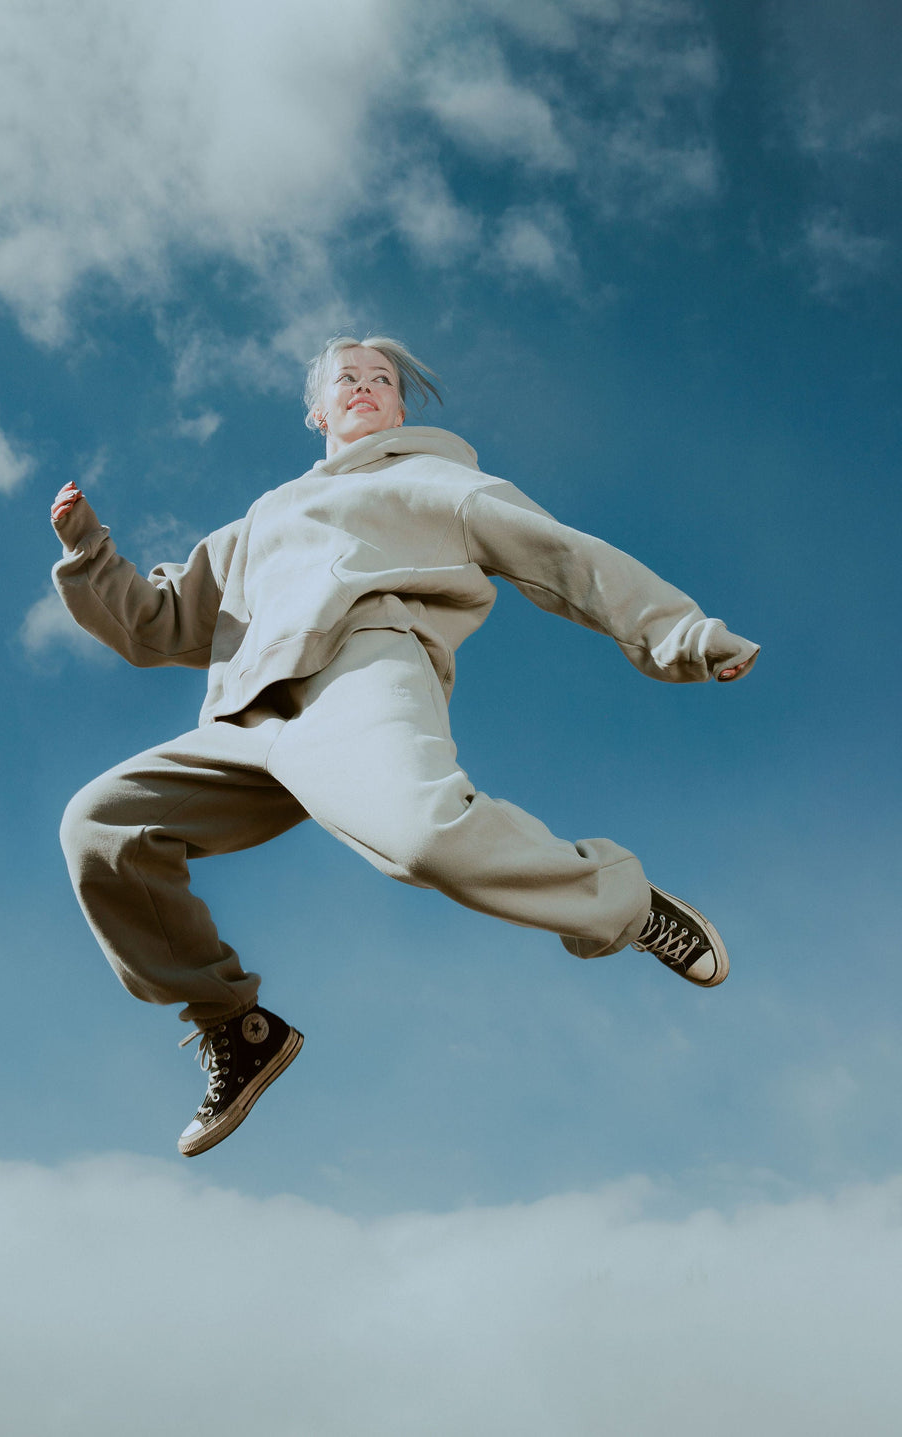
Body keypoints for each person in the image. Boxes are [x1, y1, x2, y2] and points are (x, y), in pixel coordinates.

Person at [50, 335, 759, 1157]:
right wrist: (88, 552)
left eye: (380, 381)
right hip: (246, 723)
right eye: (345, 380)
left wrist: (683, 633)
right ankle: (233, 1027)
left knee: (424, 838)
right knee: (99, 826)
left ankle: (623, 903)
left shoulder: (436, 481)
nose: (364, 389)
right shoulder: (257, 524)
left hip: (362, 674)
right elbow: (156, 623)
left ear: (397, 406)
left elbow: (568, 557)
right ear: (318, 410)